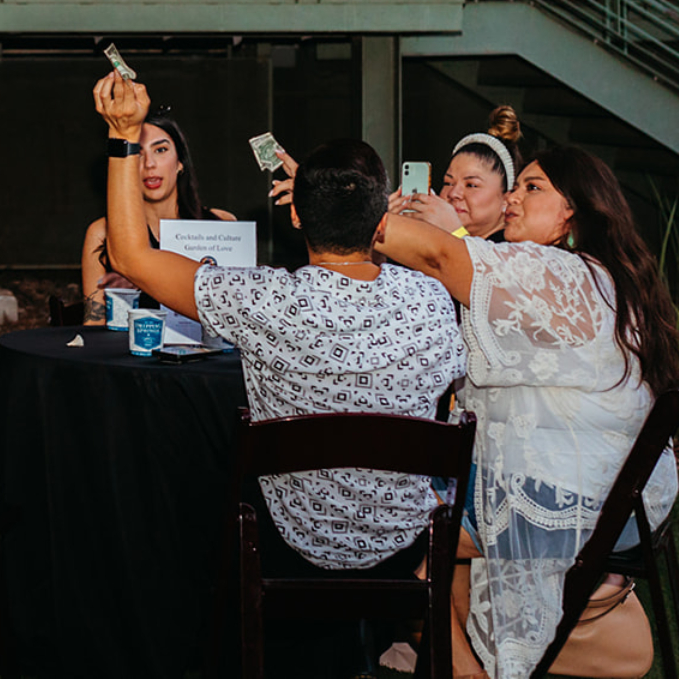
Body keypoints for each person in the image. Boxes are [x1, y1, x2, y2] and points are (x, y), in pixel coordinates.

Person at [300, 145, 679, 679]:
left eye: (533, 188)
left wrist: (333, 207)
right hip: (616, 498)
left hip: (575, 504)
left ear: (573, 211)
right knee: (419, 498)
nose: (513, 201)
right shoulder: (601, 276)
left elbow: (437, 257)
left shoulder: (563, 275)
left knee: (381, 525)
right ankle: (446, 656)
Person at [93, 70, 464, 574]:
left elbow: (130, 256)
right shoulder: (431, 298)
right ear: (383, 226)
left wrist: (121, 135)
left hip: (288, 545)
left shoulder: (262, 297)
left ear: (296, 218)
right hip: (406, 547)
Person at [78, 109, 234, 323]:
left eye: (160, 150)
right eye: (138, 153)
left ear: (180, 162)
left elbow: (243, 317)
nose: (149, 164)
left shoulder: (222, 224)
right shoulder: (102, 232)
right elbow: (94, 323)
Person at [404, 105, 522, 242]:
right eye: (448, 183)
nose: (453, 193)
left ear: (506, 199)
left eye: (471, 185)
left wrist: (456, 233)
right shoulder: (433, 242)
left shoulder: (512, 253)